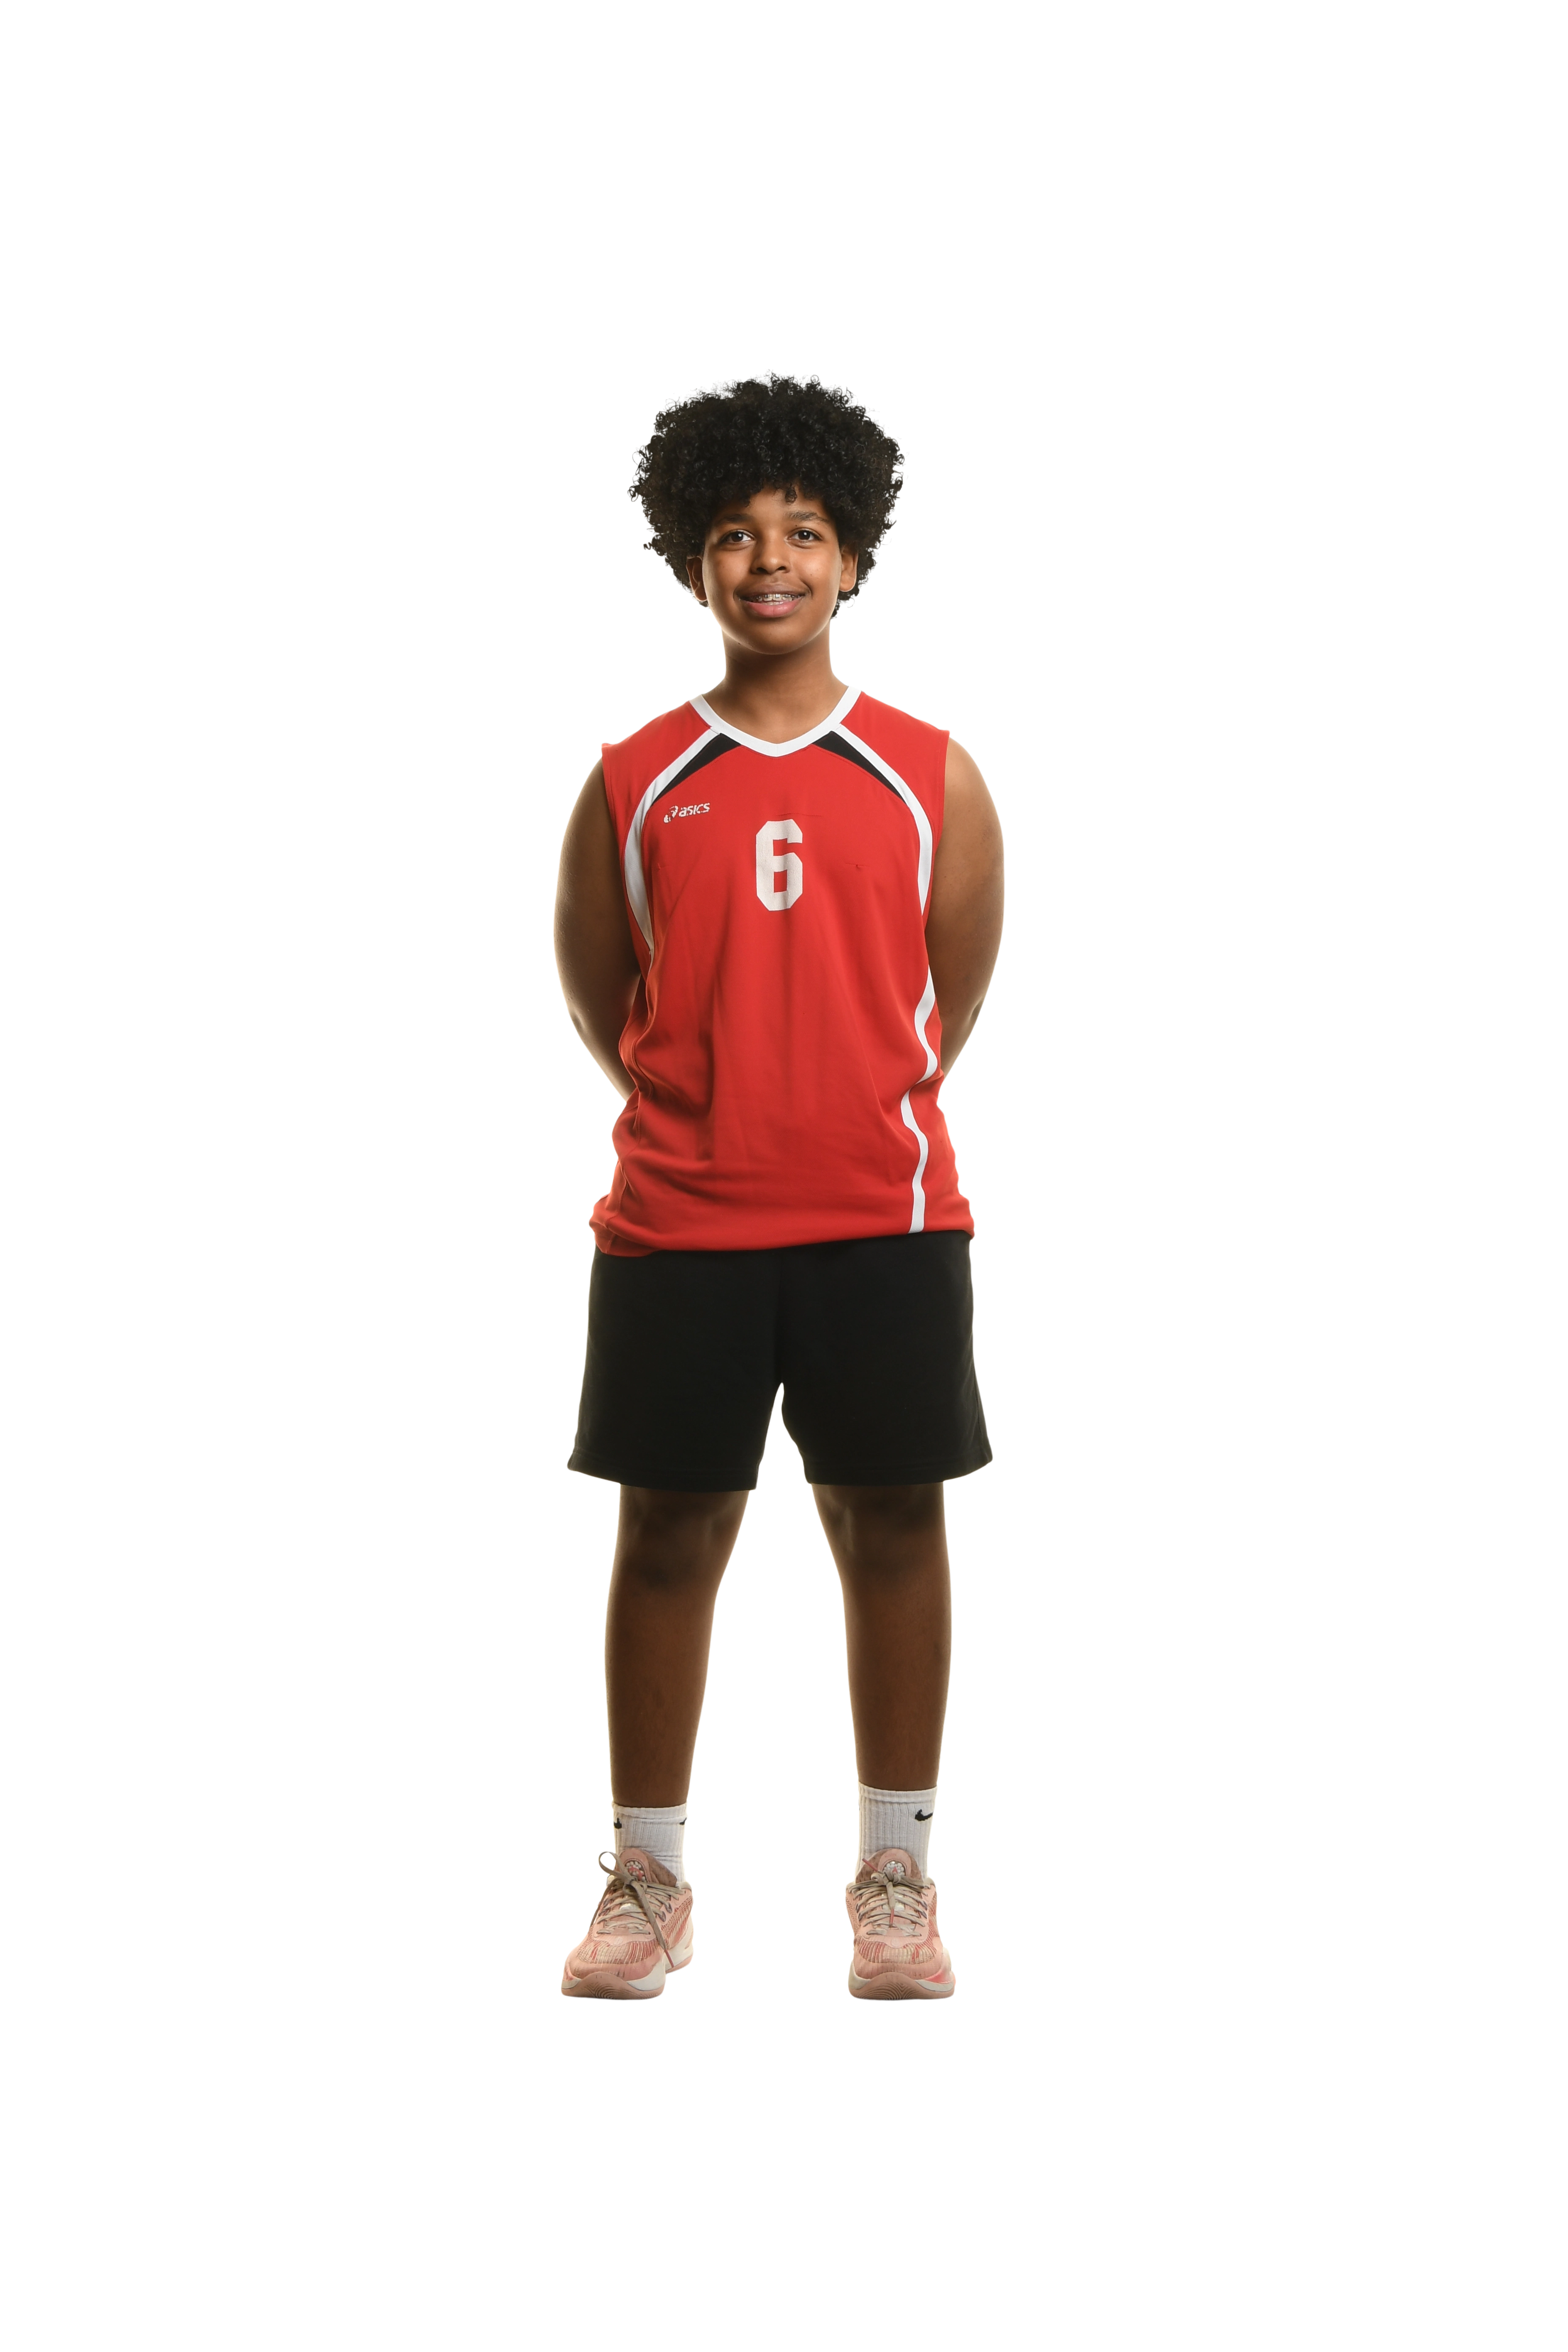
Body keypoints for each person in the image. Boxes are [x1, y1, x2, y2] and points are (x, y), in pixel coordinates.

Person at [551, 369, 1004, 2000]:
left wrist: (839, 1111)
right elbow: (605, 999)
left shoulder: (929, 771)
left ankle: (897, 1877)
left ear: (853, 558)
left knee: (895, 1524)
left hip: (885, 1224)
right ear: (693, 562)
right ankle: (647, 1884)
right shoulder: (634, 778)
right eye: (737, 535)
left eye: (803, 531)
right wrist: (717, 1115)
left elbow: (947, 1000)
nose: (771, 561)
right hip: (680, 1229)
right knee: (668, 1533)